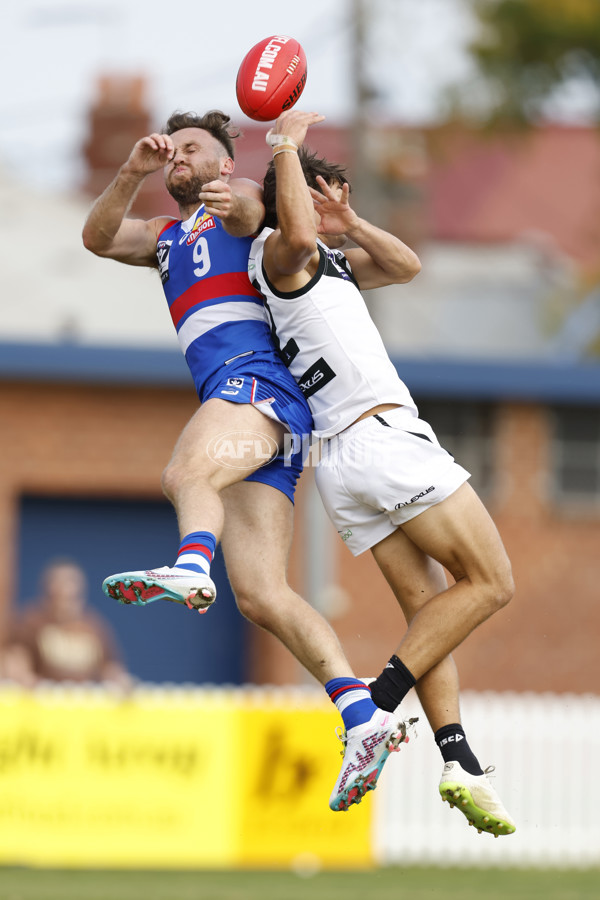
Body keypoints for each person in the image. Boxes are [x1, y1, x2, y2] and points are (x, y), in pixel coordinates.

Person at [82, 109, 415, 813]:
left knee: (184, 474)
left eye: (193, 148)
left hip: (254, 386)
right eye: (174, 148)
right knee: (263, 596)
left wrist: (243, 192)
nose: (179, 155)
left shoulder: (237, 202)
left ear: (223, 160)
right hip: (269, 425)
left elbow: (251, 210)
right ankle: (363, 720)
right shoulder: (166, 237)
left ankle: (189, 567)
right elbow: (98, 237)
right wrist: (134, 169)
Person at [247, 108, 516, 836]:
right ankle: (379, 704)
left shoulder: (330, 261)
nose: (338, 203)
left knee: (430, 616)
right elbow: (299, 230)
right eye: (325, 190)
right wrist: (285, 147)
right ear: (296, 194)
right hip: (382, 440)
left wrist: (353, 223)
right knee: (493, 582)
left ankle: (456, 757)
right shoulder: (282, 252)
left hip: (348, 461)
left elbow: (406, 265)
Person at [1, 559, 131, 688]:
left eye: (71, 598)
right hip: (42, 700)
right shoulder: (30, 623)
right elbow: (16, 665)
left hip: (83, 701)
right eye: (58, 596)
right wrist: (30, 681)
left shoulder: (93, 625)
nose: (65, 606)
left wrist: (119, 681)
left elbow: (111, 668)